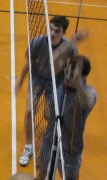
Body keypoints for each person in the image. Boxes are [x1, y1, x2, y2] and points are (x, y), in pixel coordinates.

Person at [17, 15, 87, 167]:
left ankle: (47, 146)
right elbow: (28, 63)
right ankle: (28, 148)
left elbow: (72, 67)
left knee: (50, 115)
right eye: (51, 29)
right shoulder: (38, 42)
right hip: (36, 78)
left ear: (64, 33)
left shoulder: (70, 48)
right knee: (29, 110)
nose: (53, 33)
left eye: (57, 31)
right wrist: (20, 81)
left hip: (56, 81)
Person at [37, 55, 96, 180]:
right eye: (68, 72)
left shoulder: (89, 93)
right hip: (50, 141)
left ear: (83, 78)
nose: (68, 77)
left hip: (70, 148)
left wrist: (77, 83)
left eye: (73, 75)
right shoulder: (59, 87)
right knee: (42, 176)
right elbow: (47, 114)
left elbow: (87, 103)